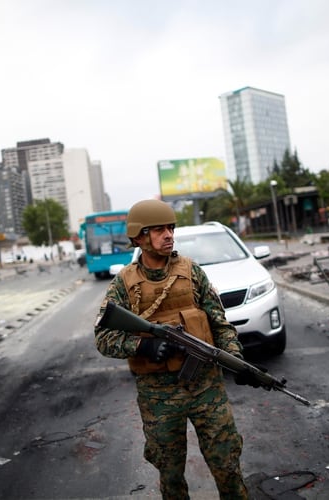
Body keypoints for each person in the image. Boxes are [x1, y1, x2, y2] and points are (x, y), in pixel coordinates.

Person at [94, 199, 258, 499]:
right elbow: (103, 337)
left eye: (171, 228)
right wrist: (143, 345)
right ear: (140, 237)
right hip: (158, 396)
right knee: (170, 477)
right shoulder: (123, 284)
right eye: (159, 230)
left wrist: (236, 360)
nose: (169, 234)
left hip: (206, 387)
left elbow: (219, 324)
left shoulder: (191, 271)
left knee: (227, 465)